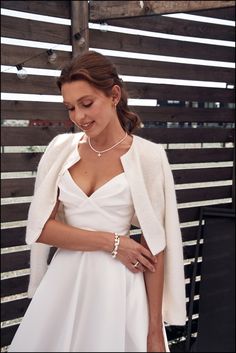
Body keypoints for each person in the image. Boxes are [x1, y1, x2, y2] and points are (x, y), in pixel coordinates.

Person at [8, 50, 186, 352]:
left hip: (118, 291)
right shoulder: (60, 150)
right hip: (63, 286)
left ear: (114, 94)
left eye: (86, 104)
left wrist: (155, 331)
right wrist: (112, 242)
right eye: (70, 108)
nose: (79, 117)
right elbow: (40, 229)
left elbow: (156, 246)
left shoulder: (149, 157)